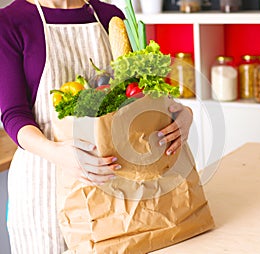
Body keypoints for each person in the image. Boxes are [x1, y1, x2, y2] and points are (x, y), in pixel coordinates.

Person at [0, 0, 193, 253]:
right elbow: (14, 115)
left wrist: (181, 114)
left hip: (114, 188)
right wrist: (57, 152)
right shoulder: (11, 22)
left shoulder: (110, 18)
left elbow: (140, 95)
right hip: (46, 184)